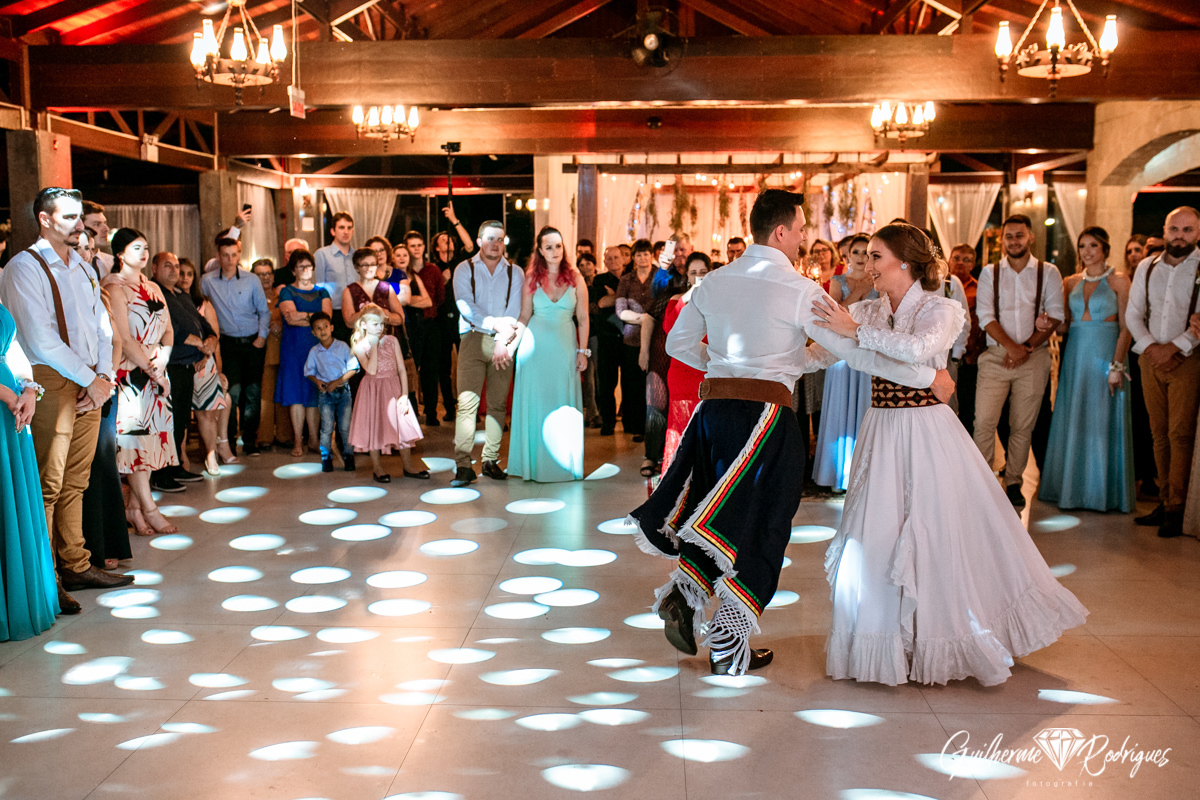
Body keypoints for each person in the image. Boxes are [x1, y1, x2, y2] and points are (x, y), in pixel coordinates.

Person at [628, 191, 954, 676]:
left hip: (713, 412)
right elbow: (853, 352)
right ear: (780, 231)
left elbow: (678, 344)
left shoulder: (714, 281)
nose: (803, 239)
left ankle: (686, 590)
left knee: (713, 508)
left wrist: (729, 368)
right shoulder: (800, 289)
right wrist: (929, 377)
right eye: (800, 230)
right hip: (765, 418)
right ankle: (727, 644)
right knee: (765, 525)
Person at [807, 222, 1088, 687]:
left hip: (926, 428)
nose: (867, 265)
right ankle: (885, 641)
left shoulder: (942, 308)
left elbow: (919, 350)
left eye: (876, 256)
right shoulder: (868, 309)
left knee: (933, 528)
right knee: (877, 529)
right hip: (881, 426)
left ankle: (941, 635)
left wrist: (856, 331)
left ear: (905, 262)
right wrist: (765, 366)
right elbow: (823, 352)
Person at [0, 188, 130, 611]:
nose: (79, 225)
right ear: (44, 219)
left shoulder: (83, 266)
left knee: (77, 480)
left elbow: (102, 327)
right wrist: (90, 379)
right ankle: (47, 577)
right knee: (48, 484)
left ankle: (76, 563)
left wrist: (103, 377)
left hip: (91, 378)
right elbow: (39, 338)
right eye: (70, 217)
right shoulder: (24, 267)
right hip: (49, 379)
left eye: (79, 217)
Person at [1038, 227, 1135, 512]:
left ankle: (1101, 493)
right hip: (1076, 356)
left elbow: (1126, 328)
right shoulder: (1070, 282)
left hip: (1106, 353)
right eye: (1082, 246)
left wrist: (1117, 366)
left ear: (1105, 248)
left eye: (1093, 245)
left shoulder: (1119, 280)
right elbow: (1065, 326)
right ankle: (1071, 490)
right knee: (1075, 417)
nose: (1087, 251)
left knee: (1102, 418)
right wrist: (1046, 323)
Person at [973, 214, 1065, 509]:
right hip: (995, 357)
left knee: (1022, 425)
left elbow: (1056, 314)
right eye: (1009, 236)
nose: (1014, 241)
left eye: (1019, 235)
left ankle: (1014, 481)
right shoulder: (989, 273)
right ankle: (982, 482)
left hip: (1033, 356)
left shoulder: (1048, 272)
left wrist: (1026, 348)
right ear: (1002, 240)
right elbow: (985, 316)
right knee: (984, 422)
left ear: (1031, 237)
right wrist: (1012, 348)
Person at [1126, 206, 1200, 538]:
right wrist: (1151, 348)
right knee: (1158, 433)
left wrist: (1174, 348)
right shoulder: (1147, 266)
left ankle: (1177, 507)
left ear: (1198, 233)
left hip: (1188, 359)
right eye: (1174, 229)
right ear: (1165, 230)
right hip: (1150, 358)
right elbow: (1134, 312)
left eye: (1187, 230)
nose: (1180, 236)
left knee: (1180, 434)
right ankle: (1165, 498)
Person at [103, 229, 179, 537]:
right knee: (134, 443)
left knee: (149, 443)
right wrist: (153, 370)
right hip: (131, 373)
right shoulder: (114, 287)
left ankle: (134, 508)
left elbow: (169, 330)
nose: (144, 253)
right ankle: (150, 508)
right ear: (120, 253)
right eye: (137, 248)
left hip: (156, 368)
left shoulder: (153, 286)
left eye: (146, 247)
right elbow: (123, 338)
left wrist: (163, 360)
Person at [0, 294, 61, 636]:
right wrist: (7, 394)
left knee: (12, 499)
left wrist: (29, 389)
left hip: (11, 409)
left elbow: (13, 349)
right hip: (4, 400)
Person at [508, 226, 589, 483]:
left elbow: (584, 318)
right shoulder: (531, 279)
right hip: (534, 352)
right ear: (541, 251)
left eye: (558, 246)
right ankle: (534, 466)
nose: (555, 251)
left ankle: (563, 464)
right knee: (537, 405)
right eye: (549, 247)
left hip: (565, 348)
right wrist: (510, 347)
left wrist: (583, 351)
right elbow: (524, 316)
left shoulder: (576, 278)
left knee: (562, 403)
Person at [451, 220, 523, 487]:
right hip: (472, 338)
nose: (495, 244)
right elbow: (465, 305)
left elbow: (515, 308)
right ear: (479, 241)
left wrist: (503, 339)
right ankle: (462, 465)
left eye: (500, 239)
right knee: (467, 403)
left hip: (504, 341)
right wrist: (495, 325)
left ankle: (490, 460)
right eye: (490, 238)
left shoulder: (515, 271)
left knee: (497, 404)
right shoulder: (464, 268)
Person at [76, 232, 130, 572]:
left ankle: (108, 544)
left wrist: (104, 378)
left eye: (91, 248)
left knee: (105, 464)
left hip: (104, 386)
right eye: (82, 247)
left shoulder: (99, 289)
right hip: (77, 384)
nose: (88, 253)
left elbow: (115, 340)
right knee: (85, 470)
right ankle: (87, 550)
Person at [812, 233, 876, 492]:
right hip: (840, 354)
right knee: (841, 407)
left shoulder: (879, 281)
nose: (861, 257)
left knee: (866, 409)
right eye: (856, 252)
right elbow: (835, 314)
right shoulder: (838, 282)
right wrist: (858, 292)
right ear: (847, 255)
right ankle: (839, 475)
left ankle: (865, 476)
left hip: (869, 351)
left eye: (866, 252)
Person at [202, 237, 270, 457]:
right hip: (227, 343)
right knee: (230, 391)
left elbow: (264, 311)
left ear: (239, 255)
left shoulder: (251, 280)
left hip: (253, 342)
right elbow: (201, 309)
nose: (230, 259)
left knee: (253, 392)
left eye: (234, 254)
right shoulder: (207, 281)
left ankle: (250, 441)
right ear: (218, 256)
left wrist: (261, 337)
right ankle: (228, 440)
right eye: (225, 255)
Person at [151, 251, 210, 492]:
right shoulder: (154, 292)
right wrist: (199, 342)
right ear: (154, 268)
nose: (174, 271)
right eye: (168, 266)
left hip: (187, 366)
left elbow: (202, 324)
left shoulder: (182, 295)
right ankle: (160, 474)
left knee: (181, 420)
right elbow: (167, 327)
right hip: (169, 366)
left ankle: (174, 466)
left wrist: (211, 339)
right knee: (166, 420)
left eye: (176, 266)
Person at [349, 304, 426, 482]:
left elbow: (401, 369)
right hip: (373, 390)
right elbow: (371, 370)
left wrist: (404, 395)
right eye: (375, 324)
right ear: (364, 325)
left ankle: (408, 465)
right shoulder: (360, 346)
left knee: (402, 425)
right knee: (374, 426)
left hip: (393, 387)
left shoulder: (392, 340)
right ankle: (377, 468)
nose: (380, 328)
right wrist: (374, 346)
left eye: (382, 324)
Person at [178, 259, 235, 474]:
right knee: (181, 414)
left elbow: (214, 337)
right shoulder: (169, 300)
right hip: (180, 362)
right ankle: (181, 456)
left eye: (189, 274)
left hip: (205, 363)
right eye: (181, 273)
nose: (184, 278)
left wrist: (215, 367)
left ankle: (211, 456)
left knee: (207, 413)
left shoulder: (203, 303)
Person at [640, 253, 691, 477]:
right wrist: (644, 351)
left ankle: (676, 456)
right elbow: (649, 319)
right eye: (693, 272)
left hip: (685, 359)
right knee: (656, 405)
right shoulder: (670, 294)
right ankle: (651, 456)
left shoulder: (710, 296)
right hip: (660, 355)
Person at [276, 249, 329, 457]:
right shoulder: (286, 291)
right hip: (294, 348)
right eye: (301, 267)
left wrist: (303, 316)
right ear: (293, 271)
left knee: (314, 392)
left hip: (316, 347)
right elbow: (290, 318)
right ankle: (298, 440)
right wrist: (314, 318)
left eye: (309, 266)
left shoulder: (322, 292)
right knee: (296, 394)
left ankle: (314, 440)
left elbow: (326, 319)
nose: (306, 270)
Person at [660, 252, 708, 475]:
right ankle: (678, 479)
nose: (699, 277)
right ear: (687, 276)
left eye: (703, 272)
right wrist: (687, 298)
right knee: (680, 426)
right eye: (693, 273)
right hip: (681, 372)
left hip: (707, 371)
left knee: (705, 427)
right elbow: (669, 328)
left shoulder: (717, 301)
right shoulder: (677, 300)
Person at [1124, 234, 1158, 499]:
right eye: (1130, 250)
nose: (1135, 254)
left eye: (1139, 249)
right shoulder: (1126, 279)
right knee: (1134, 414)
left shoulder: (1154, 276)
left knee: (1148, 416)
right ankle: (1133, 474)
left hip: (1152, 347)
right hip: (1131, 350)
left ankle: (1149, 476)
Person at [305, 312, 358, 473]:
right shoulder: (314, 351)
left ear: (332, 327)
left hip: (343, 392)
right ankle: (326, 458)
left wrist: (338, 381)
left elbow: (353, 368)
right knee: (327, 428)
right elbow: (309, 371)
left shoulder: (342, 346)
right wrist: (317, 381)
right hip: (326, 394)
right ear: (313, 332)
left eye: (325, 326)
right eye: (318, 328)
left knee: (345, 427)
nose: (323, 331)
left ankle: (348, 456)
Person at [409, 231, 453, 426]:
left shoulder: (433, 270)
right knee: (411, 370)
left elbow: (440, 297)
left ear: (424, 247)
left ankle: (431, 413)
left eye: (419, 245)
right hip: (411, 325)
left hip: (431, 323)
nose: (416, 249)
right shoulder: (404, 271)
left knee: (431, 370)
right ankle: (411, 414)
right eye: (412, 246)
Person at [615, 239, 658, 440]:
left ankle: (653, 427)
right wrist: (645, 319)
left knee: (653, 384)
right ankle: (636, 426)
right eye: (638, 254)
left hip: (656, 338)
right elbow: (621, 310)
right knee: (633, 385)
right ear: (633, 257)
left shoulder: (660, 277)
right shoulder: (626, 279)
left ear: (652, 255)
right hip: (632, 338)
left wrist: (650, 321)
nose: (642, 257)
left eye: (645, 253)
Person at [252, 258, 289, 451]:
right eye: (260, 274)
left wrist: (281, 325)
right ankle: (264, 436)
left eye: (268, 273)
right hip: (261, 352)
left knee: (283, 393)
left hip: (283, 351)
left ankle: (285, 435)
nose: (265, 278)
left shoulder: (282, 296)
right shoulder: (251, 296)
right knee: (264, 397)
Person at [947, 243, 983, 434]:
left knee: (967, 409)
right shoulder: (941, 284)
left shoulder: (979, 289)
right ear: (949, 260)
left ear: (973, 264)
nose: (960, 263)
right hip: (946, 356)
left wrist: (974, 351)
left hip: (969, 357)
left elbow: (981, 322)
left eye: (966, 259)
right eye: (957, 258)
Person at [593, 247, 624, 436]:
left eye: (616, 257)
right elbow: (602, 302)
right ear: (604, 262)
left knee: (631, 383)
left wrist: (615, 296)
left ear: (623, 259)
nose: (613, 261)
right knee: (606, 383)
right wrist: (623, 296)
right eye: (609, 258)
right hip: (606, 337)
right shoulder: (600, 280)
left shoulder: (630, 277)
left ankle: (631, 422)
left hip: (628, 338)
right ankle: (608, 422)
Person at [314, 212, 356, 342]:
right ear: (333, 231)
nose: (346, 232)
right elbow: (317, 287)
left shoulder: (357, 256)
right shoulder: (322, 254)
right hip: (333, 314)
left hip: (355, 314)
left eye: (349, 228)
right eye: (341, 227)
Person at [342, 247, 406, 333]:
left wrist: (385, 314)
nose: (369, 268)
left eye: (372, 264)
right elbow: (349, 322)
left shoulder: (386, 287)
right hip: (363, 339)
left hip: (386, 337)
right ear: (357, 267)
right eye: (365, 265)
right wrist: (367, 312)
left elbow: (400, 318)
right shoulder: (349, 290)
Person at [575, 252, 602, 427]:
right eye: (582, 265)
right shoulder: (577, 283)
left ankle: (599, 411)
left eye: (588, 264)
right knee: (588, 375)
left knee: (598, 374)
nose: (585, 268)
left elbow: (599, 307)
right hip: (583, 334)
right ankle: (592, 412)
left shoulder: (599, 283)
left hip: (596, 335)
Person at [81, 200, 114, 273]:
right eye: (96, 224)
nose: (106, 229)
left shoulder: (112, 263)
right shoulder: (68, 263)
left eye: (105, 223)